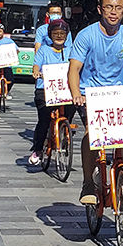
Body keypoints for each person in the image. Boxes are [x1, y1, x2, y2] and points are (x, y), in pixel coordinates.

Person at [68, 0, 123, 204]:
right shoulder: (87, 35)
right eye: (109, 7)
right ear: (100, 9)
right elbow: (74, 68)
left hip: (118, 95)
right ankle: (87, 181)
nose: (113, 12)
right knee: (91, 135)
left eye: (118, 8)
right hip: (90, 94)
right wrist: (76, 94)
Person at [29, 19, 76, 165]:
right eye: (56, 33)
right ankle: (37, 149)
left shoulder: (72, 50)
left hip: (66, 89)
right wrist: (36, 72)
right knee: (44, 119)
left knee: (71, 109)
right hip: (45, 88)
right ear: (50, 35)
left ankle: (65, 132)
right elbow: (36, 65)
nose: (59, 36)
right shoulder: (44, 49)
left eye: (62, 33)